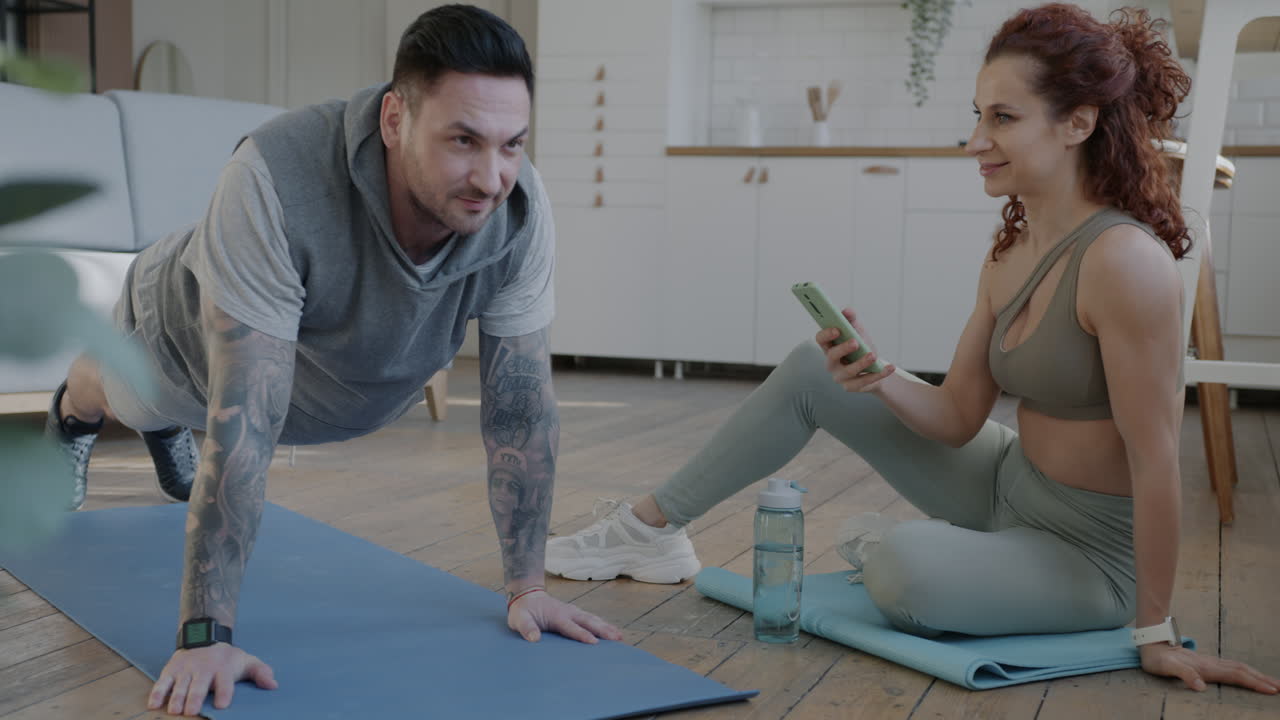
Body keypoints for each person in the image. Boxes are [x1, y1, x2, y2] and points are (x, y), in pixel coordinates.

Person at [546, 4, 1278, 695]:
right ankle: (648, 531)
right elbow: (959, 414)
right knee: (813, 369)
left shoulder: (1125, 263)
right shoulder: (1014, 249)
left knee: (902, 567)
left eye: (1003, 118)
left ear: (1077, 123)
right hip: (1006, 484)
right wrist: (876, 372)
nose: (975, 140)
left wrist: (1156, 631)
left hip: (1089, 554)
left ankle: (961, 564)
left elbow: (1156, 459)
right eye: (977, 116)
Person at [43, 5, 621, 716]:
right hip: (184, 344)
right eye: (463, 140)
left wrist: (527, 585)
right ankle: (71, 414)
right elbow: (244, 424)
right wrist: (205, 635)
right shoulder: (274, 181)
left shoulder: (519, 211)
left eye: (511, 144)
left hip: (332, 383)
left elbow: (520, 410)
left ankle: (160, 429)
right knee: (136, 398)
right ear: (393, 121)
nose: (491, 175)